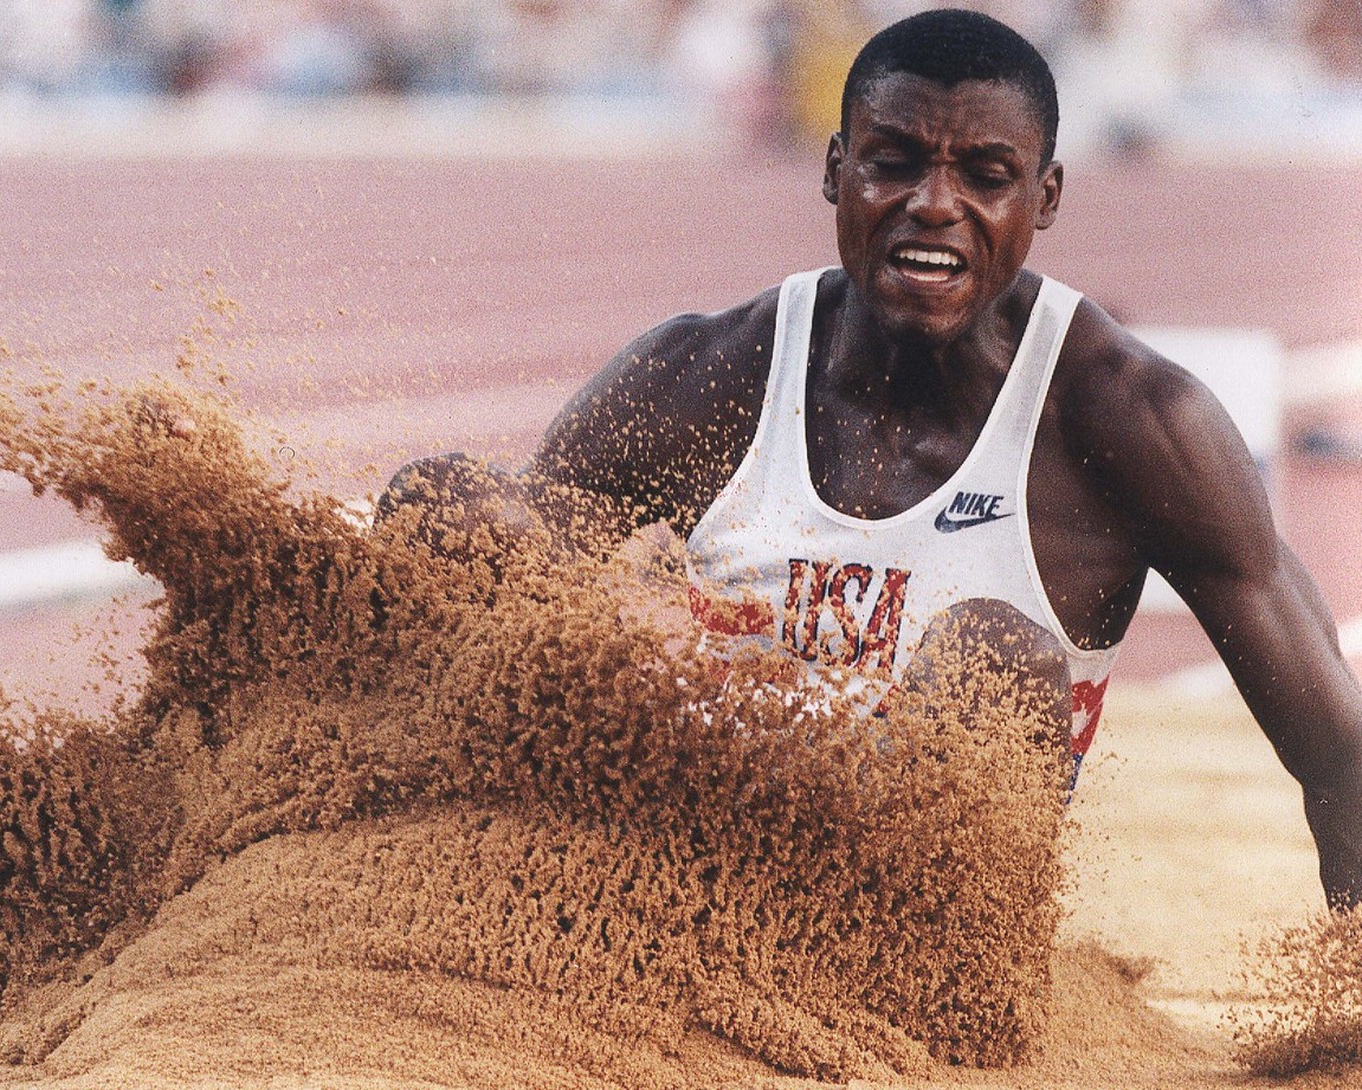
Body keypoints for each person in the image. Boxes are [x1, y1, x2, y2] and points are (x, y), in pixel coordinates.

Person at [382, 9, 1362, 909]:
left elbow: (1341, 759)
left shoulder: (1132, 420)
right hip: (684, 872)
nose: (935, 204)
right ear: (834, 168)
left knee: (993, 652)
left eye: (985, 174)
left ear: (1045, 194)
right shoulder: (713, 372)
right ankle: (377, 878)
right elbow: (512, 591)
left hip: (917, 935)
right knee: (451, 508)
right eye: (894, 162)